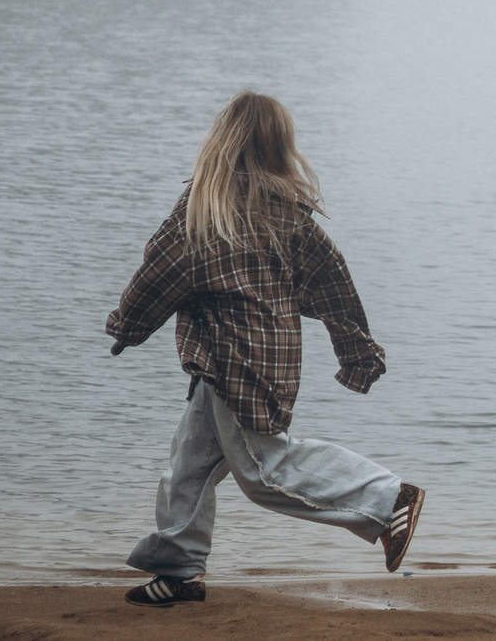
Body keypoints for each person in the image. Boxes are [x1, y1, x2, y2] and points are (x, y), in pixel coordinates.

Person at [106, 90, 423, 606]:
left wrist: (128, 325)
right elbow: (334, 286)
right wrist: (358, 353)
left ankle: (388, 499)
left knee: (264, 471)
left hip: (238, 366)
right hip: (249, 361)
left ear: (221, 142)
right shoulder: (291, 216)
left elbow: (160, 273)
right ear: (279, 147)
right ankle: (180, 569)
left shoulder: (204, 210)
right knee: (190, 463)